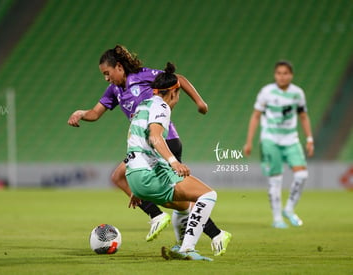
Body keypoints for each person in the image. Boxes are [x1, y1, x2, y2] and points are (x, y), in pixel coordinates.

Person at [68, 45, 231, 255]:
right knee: (169, 198)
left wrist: (199, 102)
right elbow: (95, 113)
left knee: (174, 198)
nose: (106, 79)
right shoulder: (114, 90)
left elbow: (176, 78)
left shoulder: (143, 76)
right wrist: (82, 113)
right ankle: (200, 233)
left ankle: (172, 224)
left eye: (107, 73)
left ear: (119, 67)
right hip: (145, 147)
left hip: (164, 142)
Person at [125, 62, 225, 261]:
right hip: (147, 175)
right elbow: (155, 137)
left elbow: (136, 143)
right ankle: (187, 249)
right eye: (178, 95)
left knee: (182, 205)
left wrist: (136, 188)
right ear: (174, 92)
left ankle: (181, 246)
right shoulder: (161, 106)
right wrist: (173, 162)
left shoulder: (142, 106)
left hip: (134, 177)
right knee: (207, 195)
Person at [243, 60, 314, 228]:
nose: (282, 76)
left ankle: (288, 209)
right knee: (276, 179)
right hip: (270, 139)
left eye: (285, 73)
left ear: (291, 75)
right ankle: (277, 218)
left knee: (302, 175)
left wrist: (309, 139)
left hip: (291, 139)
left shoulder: (298, 93)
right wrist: (249, 141)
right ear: (275, 75)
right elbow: (255, 116)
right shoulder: (266, 92)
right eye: (279, 73)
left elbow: (303, 116)